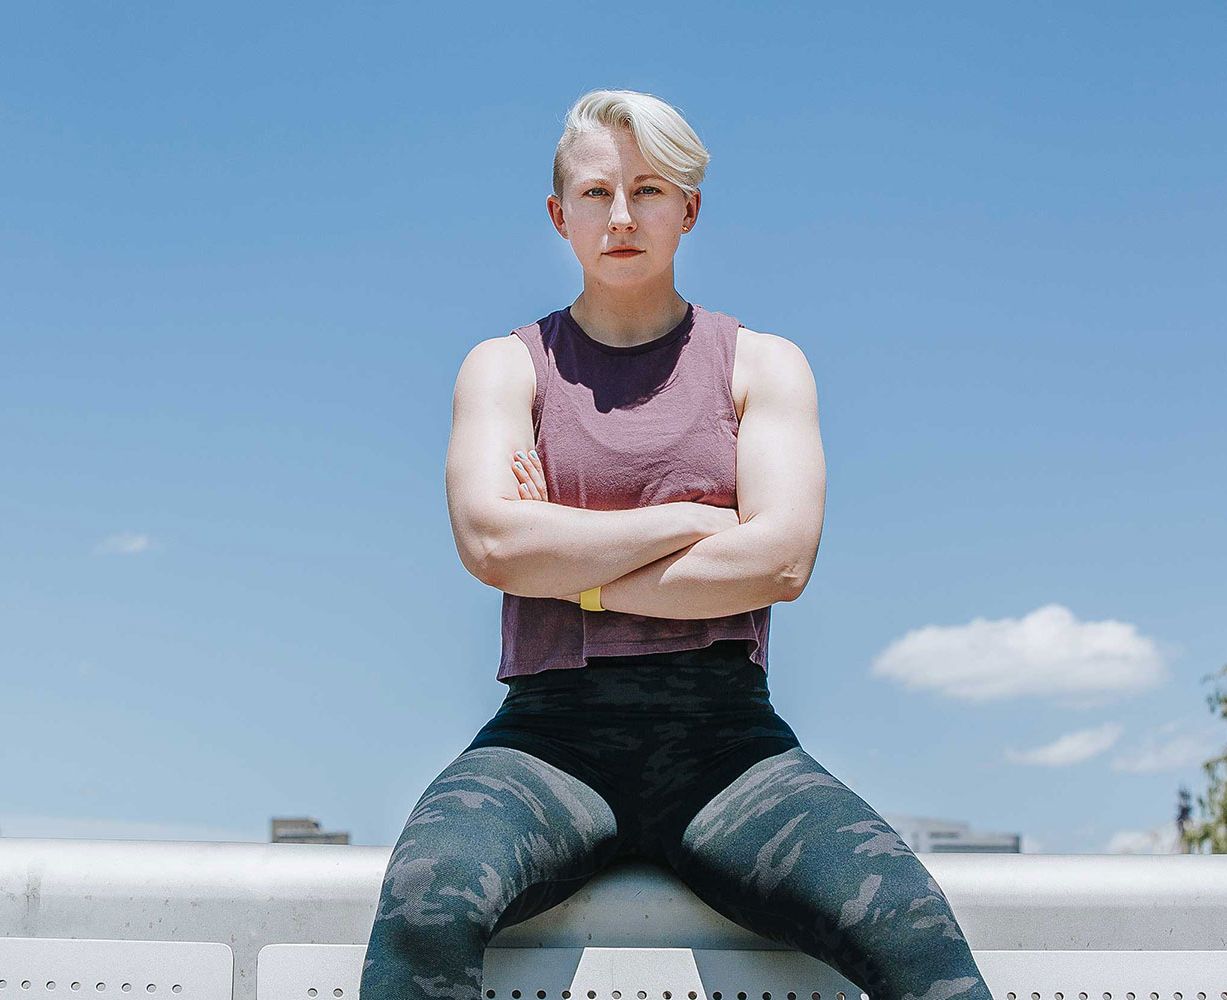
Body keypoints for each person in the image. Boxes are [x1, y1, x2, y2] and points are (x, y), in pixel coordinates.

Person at [359, 89, 994, 1000]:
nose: (621, 216)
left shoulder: (762, 363)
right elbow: (494, 542)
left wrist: (573, 568)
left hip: (727, 746)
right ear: (558, 215)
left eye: (649, 190)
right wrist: (692, 525)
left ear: (688, 209)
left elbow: (778, 562)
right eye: (594, 193)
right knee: (425, 903)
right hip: (549, 742)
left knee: (914, 930)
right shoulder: (505, 367)